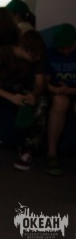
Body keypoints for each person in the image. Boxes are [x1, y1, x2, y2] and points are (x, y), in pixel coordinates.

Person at [0, 29, 46, 171]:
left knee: (43, 103)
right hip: (2, 87)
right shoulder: (3, 53)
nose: (37, 58)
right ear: (23, 49)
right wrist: (10, 97)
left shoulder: (38, 58)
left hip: (24, 89)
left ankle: (29, 150)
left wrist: (33, 95)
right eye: (34, 55)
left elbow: (40, 84)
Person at [43, 23, 76, 176]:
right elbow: (45, 81)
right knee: (60, 102)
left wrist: (71, 90)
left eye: (68, 47)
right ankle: (52, 154)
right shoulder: (50, 54)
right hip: (58, 93)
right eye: (61, 48)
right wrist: (54, 89)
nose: (65, 52)